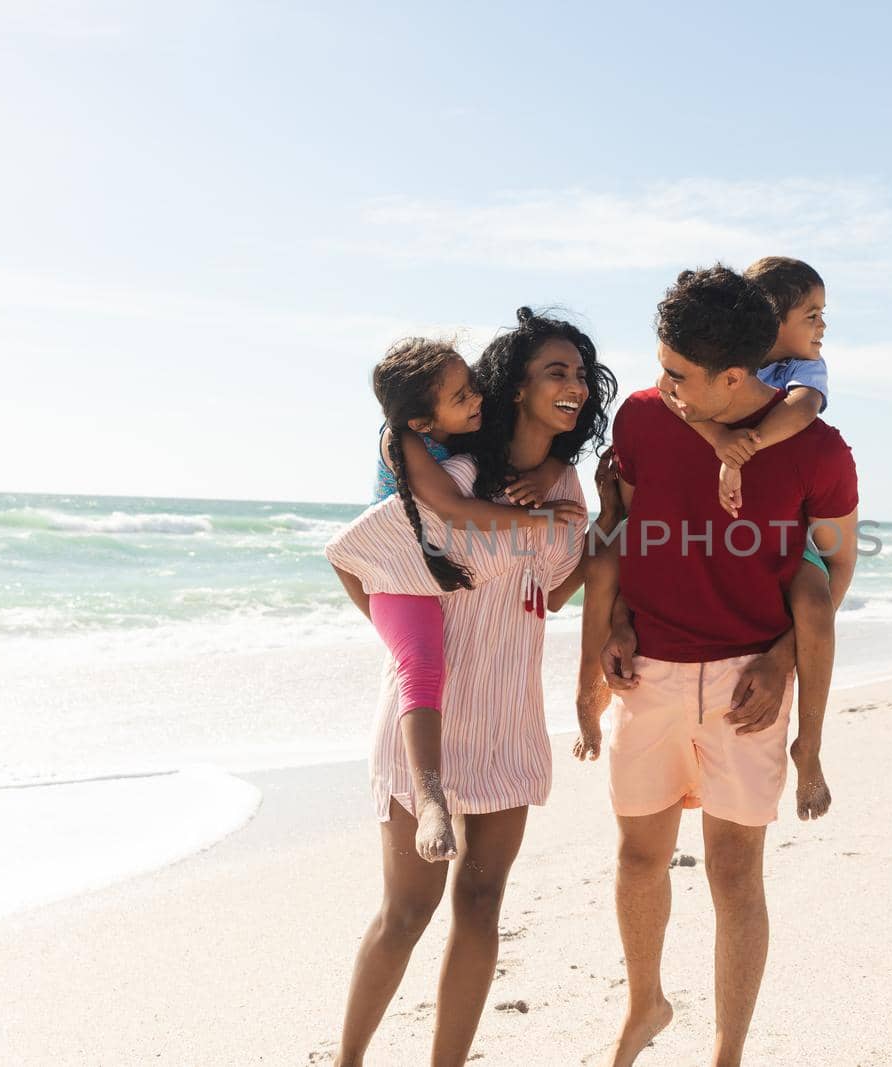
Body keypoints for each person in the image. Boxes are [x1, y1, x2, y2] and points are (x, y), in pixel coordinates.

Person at [577, 266, 859, 1067]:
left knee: (736, 874)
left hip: (748, 689)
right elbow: (622, 526)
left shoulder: (821, 448)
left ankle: (727, 1054)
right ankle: (646, 1004)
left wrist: (782, 659)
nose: (660, 384)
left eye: (677, 374)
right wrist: (619, 617)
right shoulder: (640, 415)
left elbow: (835, 571)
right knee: (639, 857)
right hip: (649, 675)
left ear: (732, 377)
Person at [325, 308, 618, 1067]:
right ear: (515, 386)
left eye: (582, 374)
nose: (576, 386)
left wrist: (608, 525)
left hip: (511, 722)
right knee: (407, 911)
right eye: (557, 370)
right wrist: (403, 649)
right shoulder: (449, 480)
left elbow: (550, 594)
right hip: (429, 717)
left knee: (482, 905)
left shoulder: (568, 490)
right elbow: (352, 555)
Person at [364, 337, 586, 862]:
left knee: (483, 898)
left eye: (472, 388)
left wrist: (556, 474)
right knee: (419, 663)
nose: (476, 400)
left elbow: (550, 592)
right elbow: (448, 509)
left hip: (500, 710)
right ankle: (429, 795)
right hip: (401, 585)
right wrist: (535, 519)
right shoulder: (412, 447)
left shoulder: (472, 444)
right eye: (463, 394)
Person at [678, 256, 839, 821]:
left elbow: (801, 411)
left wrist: (744, 448)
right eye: (812, 315)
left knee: (815, 606)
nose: (822, 327)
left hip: (786, 533)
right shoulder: (725, 361)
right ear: (771, 319)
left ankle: (810, 744)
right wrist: (715, 433)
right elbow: (668, 385)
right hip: (715, 536)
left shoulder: (804, 372)